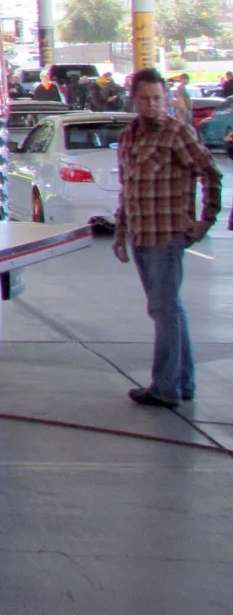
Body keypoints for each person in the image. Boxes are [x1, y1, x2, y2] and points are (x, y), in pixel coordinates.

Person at [112, 68, 222, 407]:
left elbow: (210, 172)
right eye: (145, 99)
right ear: (134, 99)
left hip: (168, 235)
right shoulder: (129, 137)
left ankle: (165, 388)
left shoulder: (178, 134)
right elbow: (128, 187)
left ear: (166, 98)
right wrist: (120, 229)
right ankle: (182, 382)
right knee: (168, 309)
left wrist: (206, 220)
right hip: (141, 236)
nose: (152, 105)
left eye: (158, 98)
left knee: (164, 309)